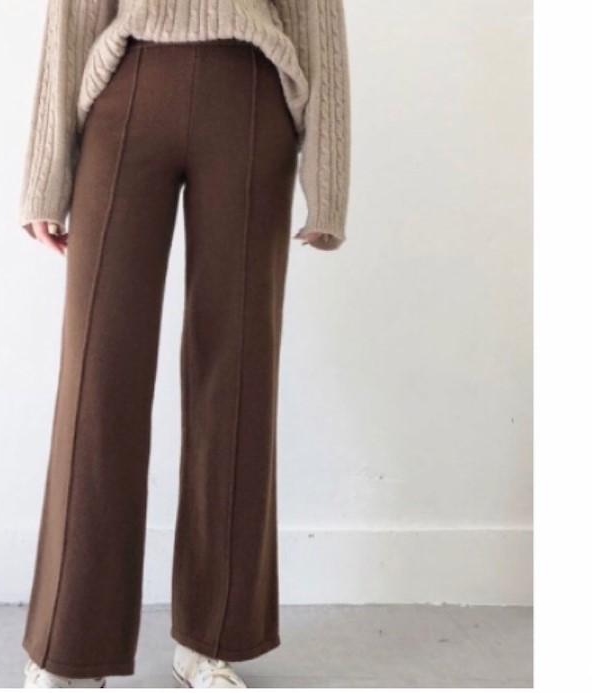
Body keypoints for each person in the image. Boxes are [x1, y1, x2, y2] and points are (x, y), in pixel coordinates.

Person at [17, 0, 350, 687]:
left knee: (236, 372)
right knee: (98, 372)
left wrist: (328, 183)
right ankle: (69, 646)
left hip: (251, 96)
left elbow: (316, 18)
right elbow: (72, 17)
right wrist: (45, 178)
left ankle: (210, 637)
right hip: (127, 89)